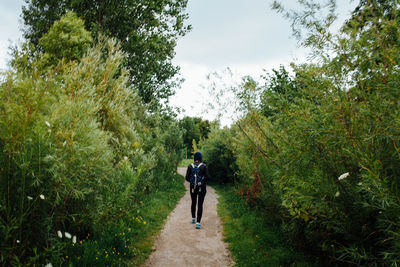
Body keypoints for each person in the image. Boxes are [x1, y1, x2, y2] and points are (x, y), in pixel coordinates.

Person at [185, 152, 210, 229]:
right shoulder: (203, 166)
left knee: (193, 202)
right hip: (201, 188)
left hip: (193, 188)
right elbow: (208, 177)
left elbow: (187, 178)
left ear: (194, 158)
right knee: (200, 204)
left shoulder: (190, 166)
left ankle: (193, 218)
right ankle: (198, 223)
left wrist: (193, 183)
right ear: (201, 158)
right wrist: (201, 182)